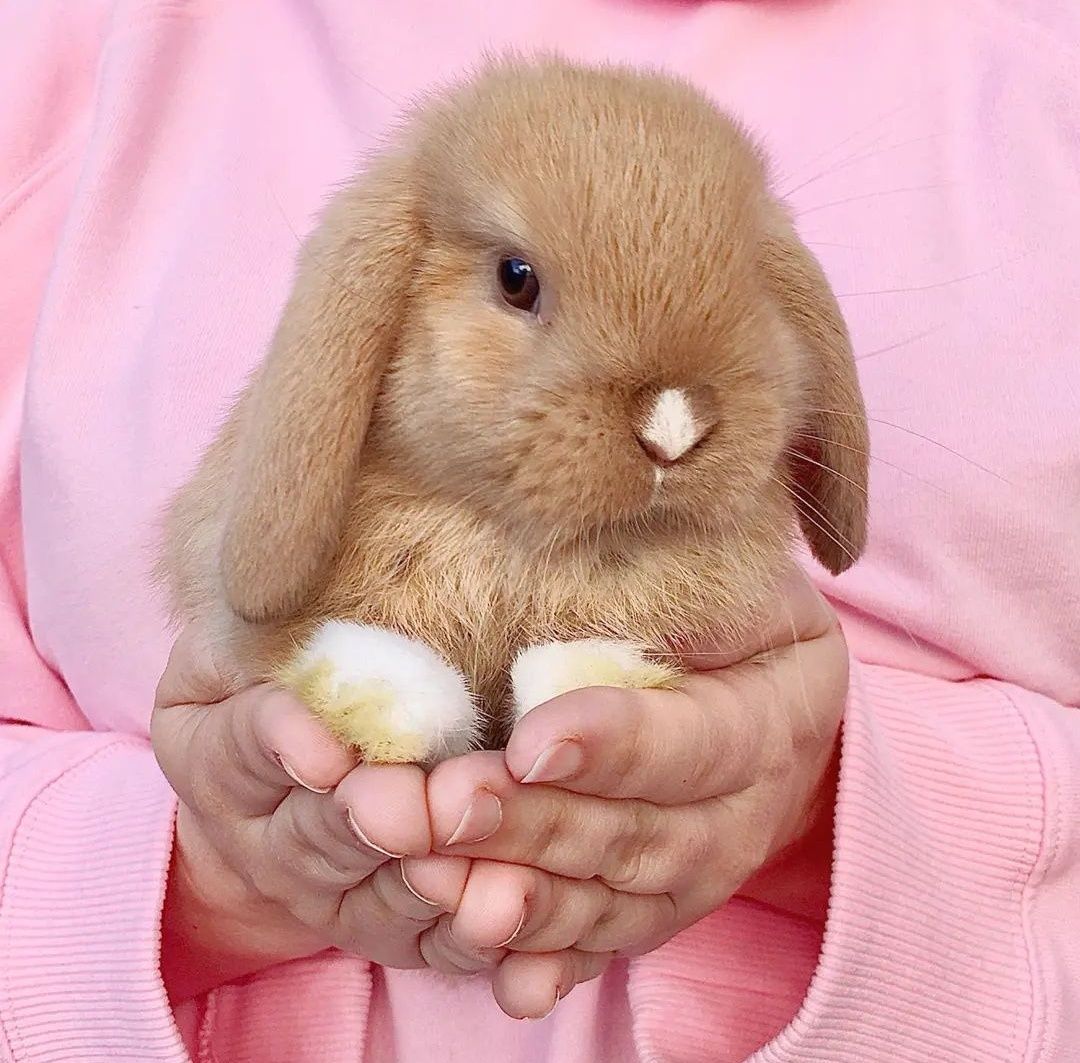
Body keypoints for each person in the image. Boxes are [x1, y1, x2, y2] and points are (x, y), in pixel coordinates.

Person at [0, 1, 1076, 1061]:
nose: (664, 426)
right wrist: (194, 879)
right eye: (520, 285)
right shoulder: (82, 54)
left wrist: (833, 815)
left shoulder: (1043, 72)